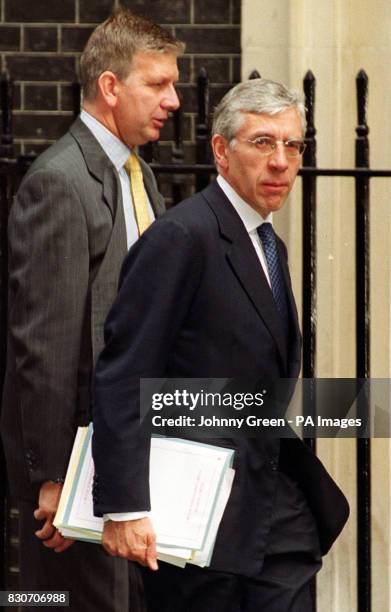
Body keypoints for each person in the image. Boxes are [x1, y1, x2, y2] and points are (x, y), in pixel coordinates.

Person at [92, 78, 349, 612]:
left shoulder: (267, 242)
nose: (281, 161)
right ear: (221, 150)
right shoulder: (182, 237)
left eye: (293, 145)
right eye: (262, 142)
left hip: (274, 514)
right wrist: (125, 506)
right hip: (197, 524)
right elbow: (125, 370)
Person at [1, 8, 182, 611]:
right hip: (77, 475)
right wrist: (50, 478)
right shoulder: (59, 182)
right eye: (157, 84)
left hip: (130, 462)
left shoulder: (141, 176)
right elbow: (46, 346)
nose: (174, 99)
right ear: (110, 87)